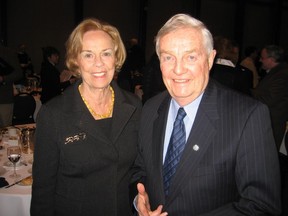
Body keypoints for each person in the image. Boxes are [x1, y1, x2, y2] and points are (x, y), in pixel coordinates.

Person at [132, 14, 281, 216]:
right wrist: (138, 200)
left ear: (210, 59)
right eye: (168, 57)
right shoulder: (150, 109)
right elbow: (140, 170)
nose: (178, 69)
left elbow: (261, 206)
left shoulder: (247, 116)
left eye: (191, 57)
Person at [31, 18, 142, 216]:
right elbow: (43, 192)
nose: (99, 63)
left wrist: (138, 197)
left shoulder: (134, 106)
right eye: (88, 55)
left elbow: (137, 169)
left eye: (106, 54)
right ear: (76, 61)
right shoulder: (53, 114)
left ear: (116, 59)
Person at [251, 45, 288, 150]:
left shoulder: (282, 74)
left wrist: (247, 95)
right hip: (267, 123)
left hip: (272, 125)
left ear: (272, 59)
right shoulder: (276, 72)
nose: (260, 60)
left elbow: (268, 100)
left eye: (263, 58)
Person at [0, 44, 23, 127]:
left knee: (5, 130)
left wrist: (3, 78)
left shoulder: (7, 52)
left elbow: (19, 73)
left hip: (4, 99)